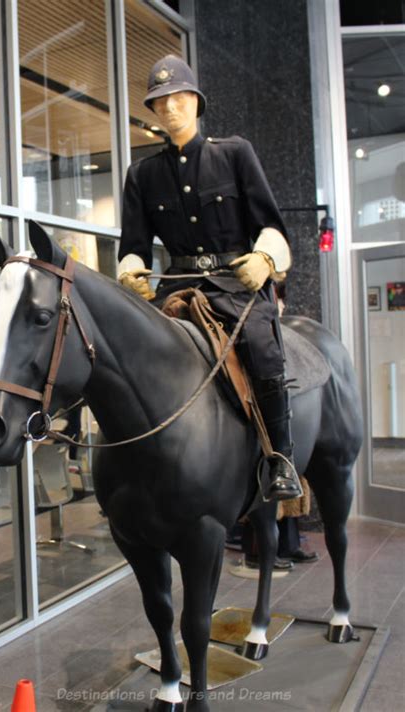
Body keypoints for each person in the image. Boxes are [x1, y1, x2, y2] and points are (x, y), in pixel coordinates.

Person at [117, 54, 300, 501]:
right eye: (160, 102)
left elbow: (271, 225)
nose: (169, 108)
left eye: (178, 97)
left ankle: (281, 460)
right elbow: (134, 245)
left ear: (197, 102)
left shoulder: (234, 153)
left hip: (236, 286)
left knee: (261, 348)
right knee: (132, 355)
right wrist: (129, 272)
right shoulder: (142, 175)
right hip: (176, 286)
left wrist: (264, 259)